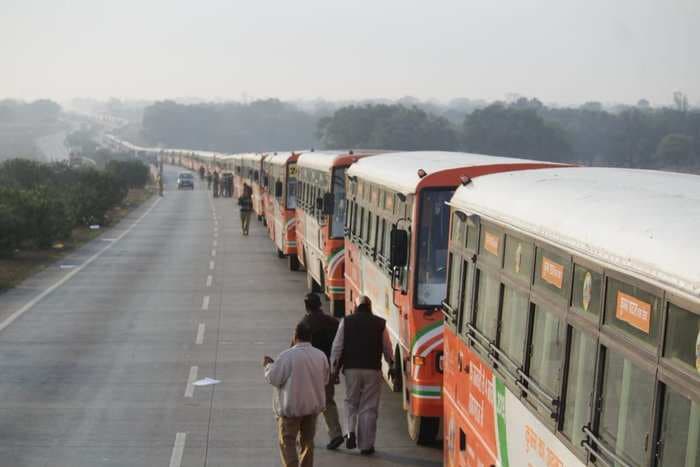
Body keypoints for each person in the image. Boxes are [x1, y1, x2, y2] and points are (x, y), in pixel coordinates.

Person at [330, 296, 394, 455]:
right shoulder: (380, 323)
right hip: (373, 369)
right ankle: (366, 446)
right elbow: (387, 348)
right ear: (370, 306)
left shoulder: (346, 321)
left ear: (356, 306)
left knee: (351, 402)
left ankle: (350, 432)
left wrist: (334, 370)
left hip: (351, 369)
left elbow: (337, 347)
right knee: (369, 407)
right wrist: (391, 364)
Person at [264, 322, 329, 467]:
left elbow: (274, 378)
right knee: (308, 443)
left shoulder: (287, 356)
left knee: (287, 442)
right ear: (310, 337)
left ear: (295, 336)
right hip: (312, 408)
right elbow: (325, 379)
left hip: (291, 410)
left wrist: (268, 366)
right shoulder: (321, 356)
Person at [300, 293, 344, 450]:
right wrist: (337, 370)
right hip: (328, 368)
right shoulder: (333, 322)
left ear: (307, 306)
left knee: (307, 403)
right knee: (327, 401)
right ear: (319, 304)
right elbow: (340, 346)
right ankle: (336, 434)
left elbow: (296, 347)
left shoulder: (304, 324)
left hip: (310, 369)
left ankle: (306, 436)